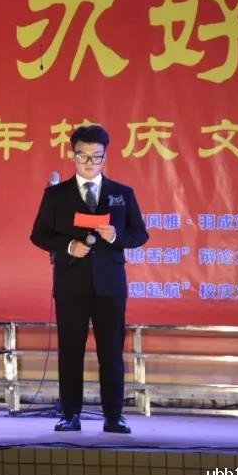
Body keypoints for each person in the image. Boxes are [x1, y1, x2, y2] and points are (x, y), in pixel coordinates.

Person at [29, 124, 148, 434]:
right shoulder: (56, 195)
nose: (90, 162)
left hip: (110, 285)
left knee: (111, 352)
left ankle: (114, 416)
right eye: (83, 156)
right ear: (73, 155)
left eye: (96, 156)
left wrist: (116, 236)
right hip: (71, 283)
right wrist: (69, 246)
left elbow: (140, 234)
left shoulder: (122, 194)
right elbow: (39, 235)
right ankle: (70, 414)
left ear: (105, 157)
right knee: (70, 351)